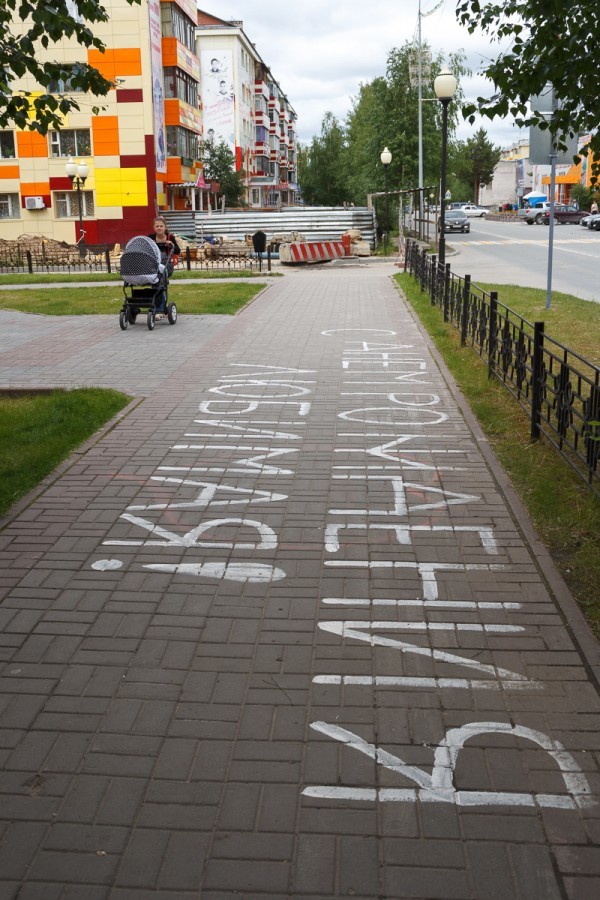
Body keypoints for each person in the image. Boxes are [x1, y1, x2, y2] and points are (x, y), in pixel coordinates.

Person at [148, 216, 180, 314]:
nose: (159, 228)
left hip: (166, 265)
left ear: (165, 227)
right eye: (157, 226)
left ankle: (159, 308)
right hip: (154, 265)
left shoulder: (170, 237)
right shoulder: (151, 238)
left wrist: (171, 245)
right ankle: (156, 305)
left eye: (161, 226)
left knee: (159, 281)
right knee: (155, 282)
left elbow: (178, 250)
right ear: (154, 228)